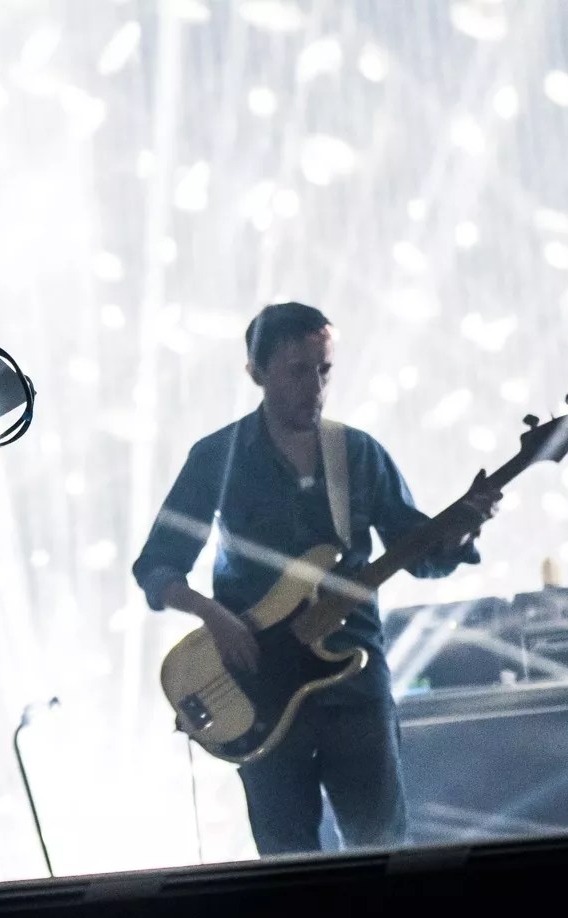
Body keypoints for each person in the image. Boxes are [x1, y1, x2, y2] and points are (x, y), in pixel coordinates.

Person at [132, 302, 499, 855]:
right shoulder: (217, 457)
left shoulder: (357, 453)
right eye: (298, 371)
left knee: (382, 855)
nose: (316, 387)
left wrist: (459, 534)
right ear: (256, 372)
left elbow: (419, 554)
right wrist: (217, 617)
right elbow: (157, 566)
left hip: (353, 678)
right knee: (286, 863)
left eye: (324, 370)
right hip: (257, 685)